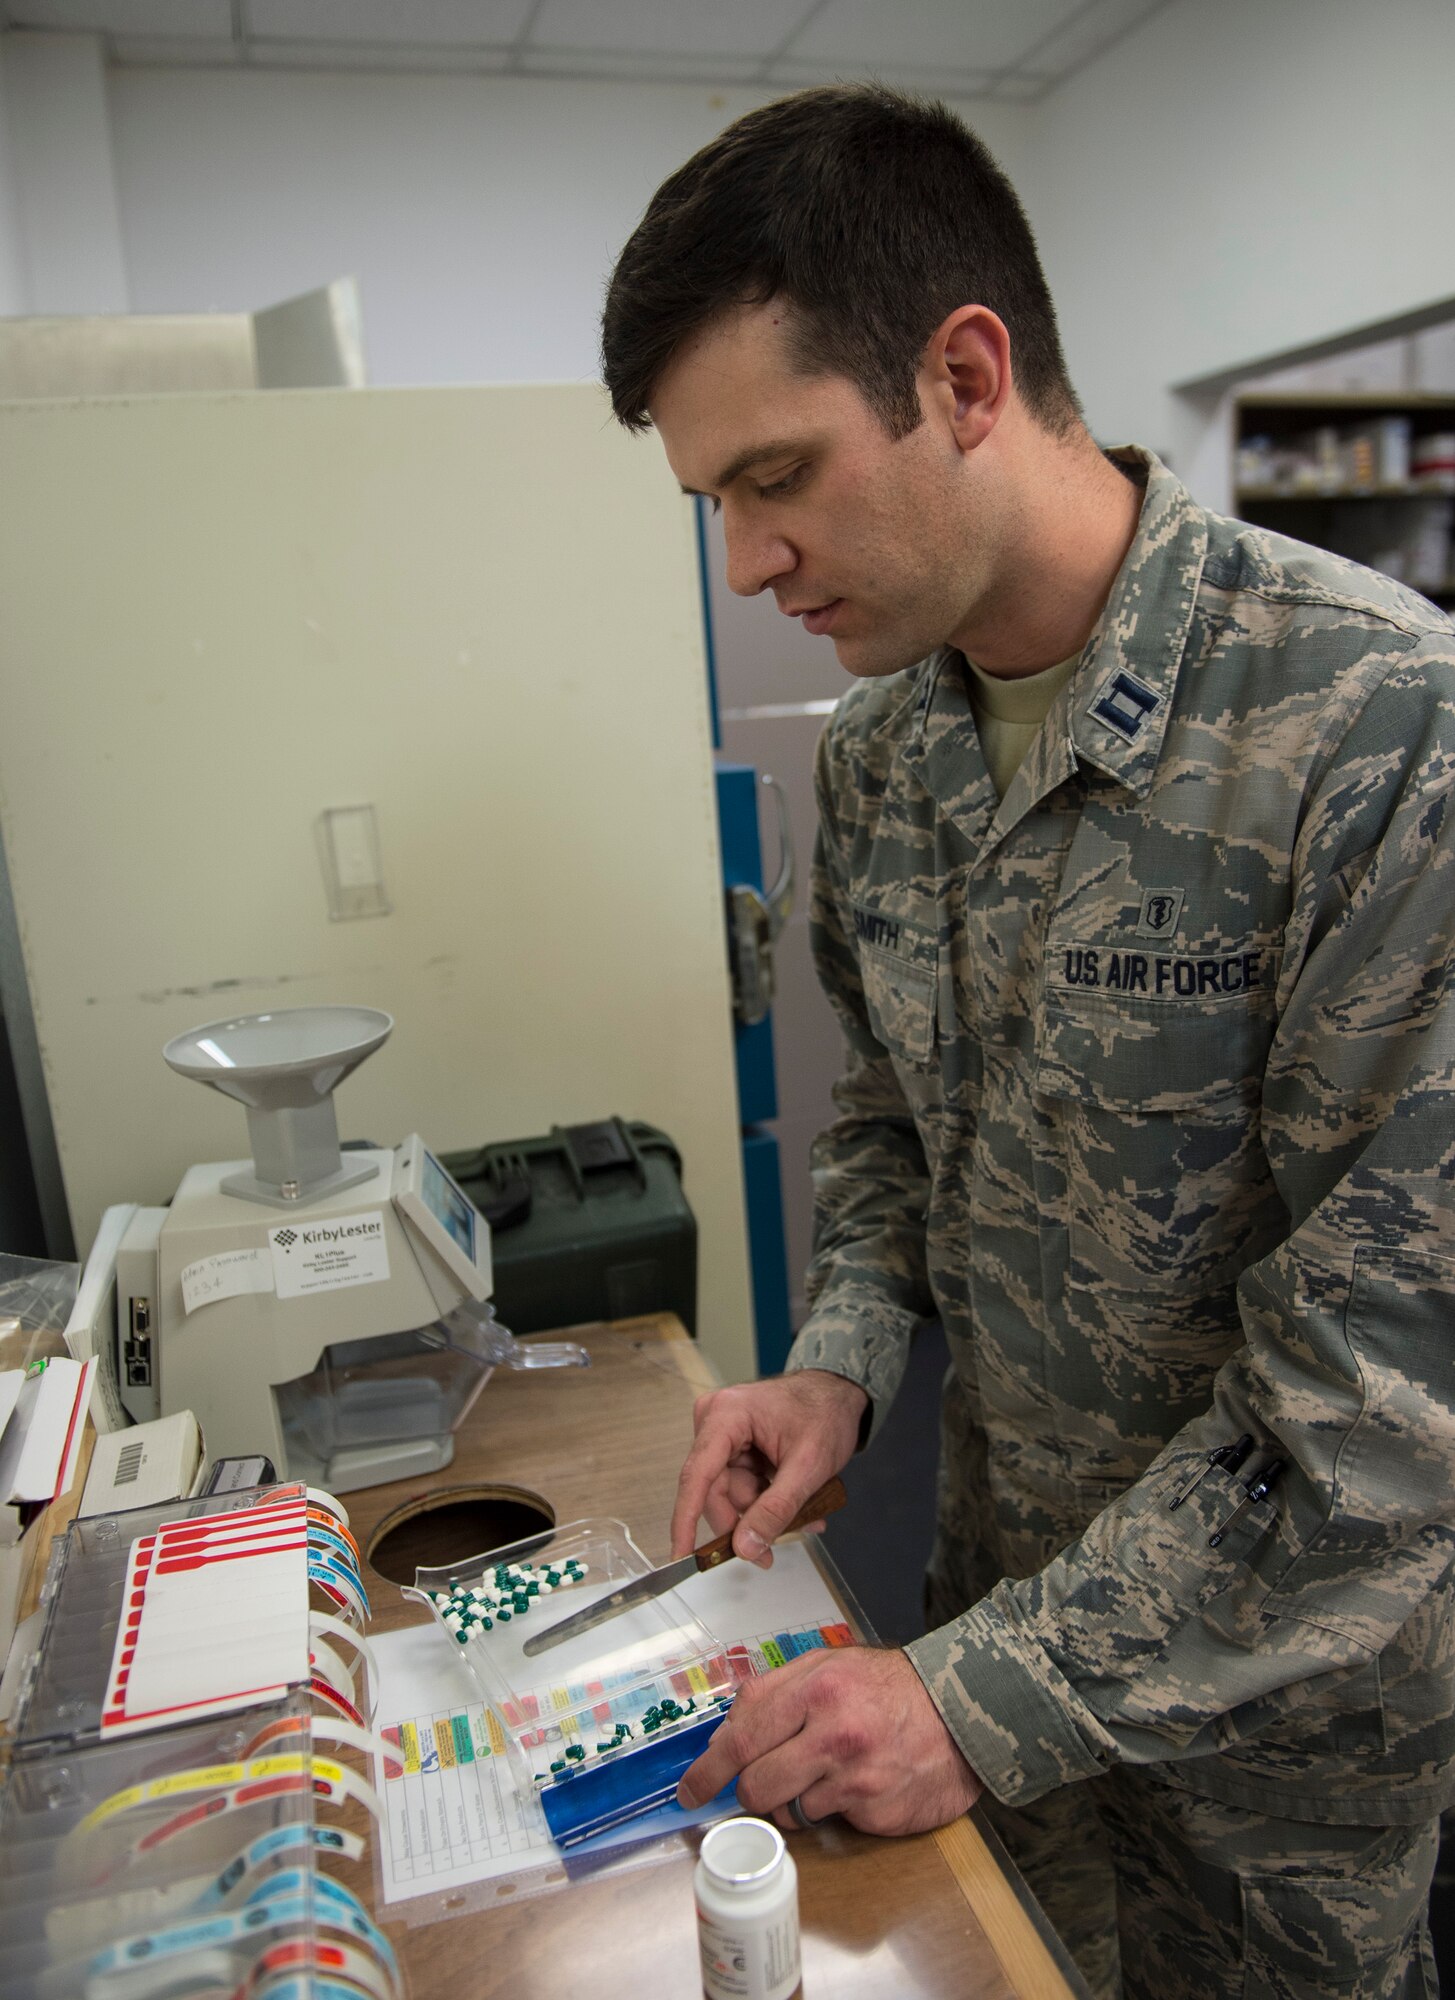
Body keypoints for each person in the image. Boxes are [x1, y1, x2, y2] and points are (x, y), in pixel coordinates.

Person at [601, 85, 1455, 2000]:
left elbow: (1383, 1411)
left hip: (1277, 1747)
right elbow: (892, 1131)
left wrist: (973, 1696)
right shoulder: (894, 746)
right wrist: (834, 1365)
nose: (747, 563)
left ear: (966, 377)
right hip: (986, 1631)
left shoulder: (1384, 735)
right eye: (713, 502)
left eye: (778, 475)